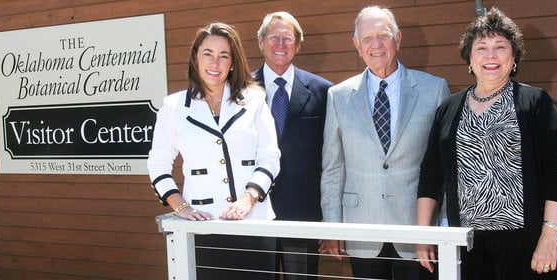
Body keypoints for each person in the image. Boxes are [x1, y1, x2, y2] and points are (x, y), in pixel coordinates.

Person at [416, 7, 557, 280]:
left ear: (514, 57)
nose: (490, 55)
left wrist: (550, 236)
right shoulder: (449, 108)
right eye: (481, 47)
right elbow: (431, 174)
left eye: (500, 46)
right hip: (467, 245)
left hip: (527, 245)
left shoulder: (536, 103)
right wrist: (423, 235)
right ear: (469, 58)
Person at [319, 6, 450, 280]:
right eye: (367, 39)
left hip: (417, 231)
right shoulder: (338, 96)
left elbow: (447, 167)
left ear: (398, 38)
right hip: (361, 229)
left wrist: (443, 225)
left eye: (383, 35)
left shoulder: (434, 89)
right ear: (357, 45)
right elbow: (333, 168)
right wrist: (332, 226)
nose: (376, 45)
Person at [147, 22, 280, 280]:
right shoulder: (173, 107)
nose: (215, 63)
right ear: (195, 57)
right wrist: (180, 206)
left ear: (233, 62)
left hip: (255, 224)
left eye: (224, 56)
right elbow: (158, 163)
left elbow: (270, 156)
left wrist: (249, 198)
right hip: (201, 229)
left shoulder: (254, 100)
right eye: (208, 54)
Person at [252, 11, 333, 280]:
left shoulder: (324, 92)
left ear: (298, 45)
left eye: (288, 39)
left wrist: (328, 217)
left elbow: (332, 158)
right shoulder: (241, 90)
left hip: (303, 214)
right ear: (261, 42)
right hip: (254, 210)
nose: (281, 45)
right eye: (274, 38)